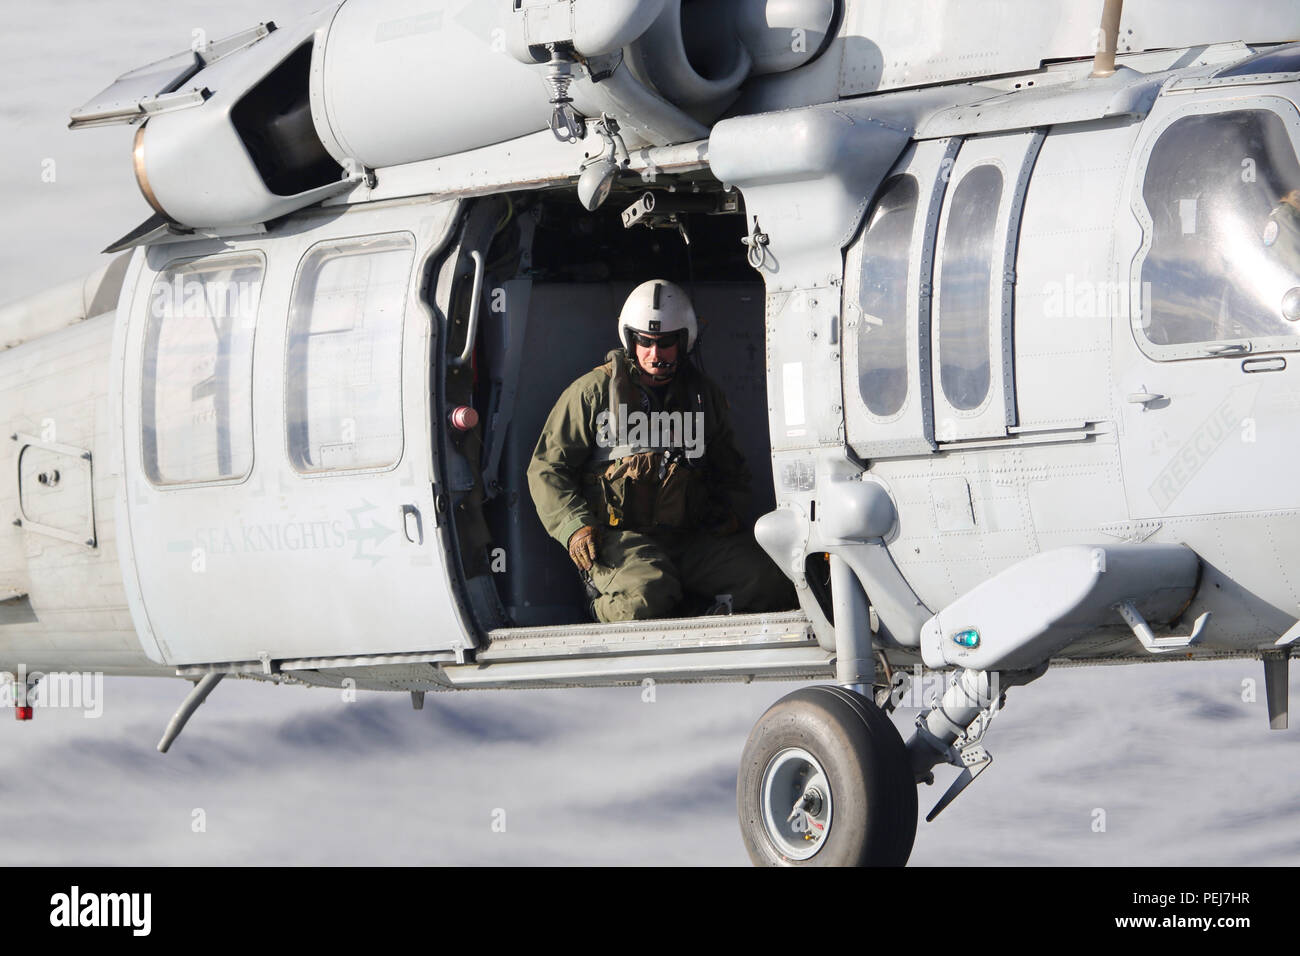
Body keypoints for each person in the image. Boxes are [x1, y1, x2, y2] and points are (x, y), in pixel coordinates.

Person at [527, 279, 797, 622]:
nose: (655, 354)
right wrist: (575, 526)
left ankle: (691, 607)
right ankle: (600, 607)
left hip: (690, 540)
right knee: (647, 595)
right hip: (618, 541)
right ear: (631, 339)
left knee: (769, 581)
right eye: (646, 341)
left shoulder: (702, 398)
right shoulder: (593, 393)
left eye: (666, 342)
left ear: (684, 341)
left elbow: (732, 471)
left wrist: (726, 514)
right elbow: (547, 469)